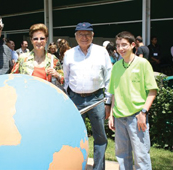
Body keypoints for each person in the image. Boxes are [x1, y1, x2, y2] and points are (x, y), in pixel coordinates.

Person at [63, 22, 112, 170]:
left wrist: (108, 101)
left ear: (92, 35)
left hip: (96, 99)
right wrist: (68, 100)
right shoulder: (69, 54)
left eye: (87, 34)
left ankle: (98, 168)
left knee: (100, 137)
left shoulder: (101, 52)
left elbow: (109, 76)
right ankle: (76, 165)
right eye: (81, 34)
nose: (84, 37)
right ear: (76, 36)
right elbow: (66, 78)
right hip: (75, 99)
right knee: (75, 135)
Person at [108, 31, 158, 170]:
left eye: (124, 45)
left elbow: (152, 91)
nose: (121, 48)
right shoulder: (116, 67)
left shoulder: (143, 64)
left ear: (133, 45)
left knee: (141, 157)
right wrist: (112, 115)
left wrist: (143, 112)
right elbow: (114, 93)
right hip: (119, 117)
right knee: (122, 157)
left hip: (137, 117)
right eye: (118, 45)